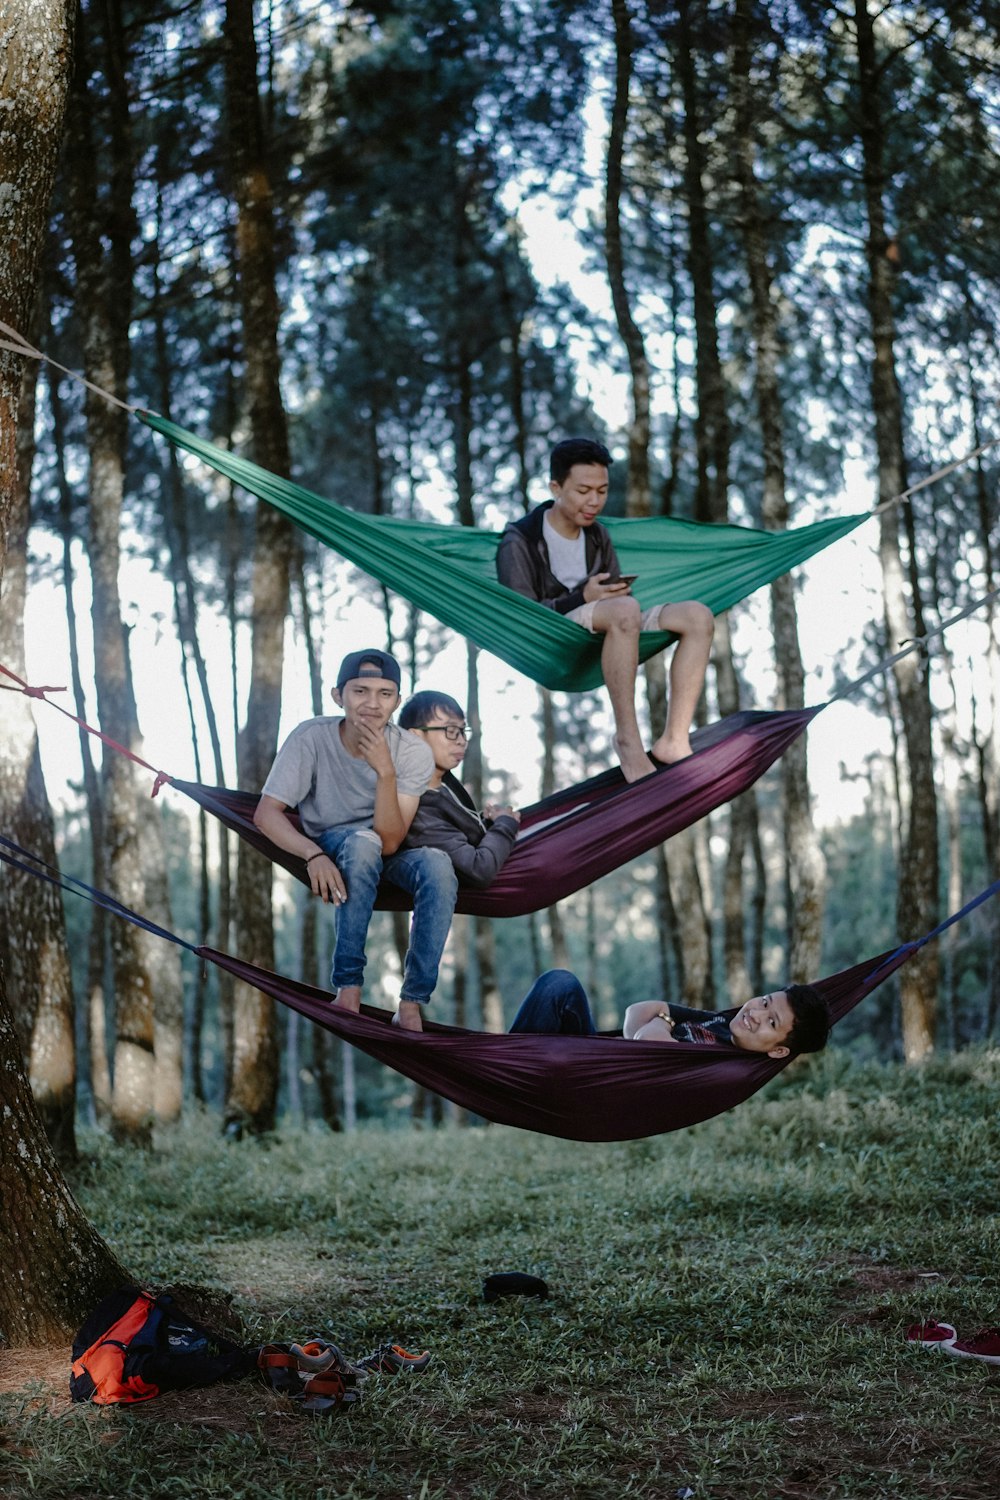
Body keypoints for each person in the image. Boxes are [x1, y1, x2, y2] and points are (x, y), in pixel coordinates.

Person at [253, 649, 458, 1032]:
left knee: (438, 866)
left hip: (385, 846)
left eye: (385, 694)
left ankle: (411, 1003)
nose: (372, 704)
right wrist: (312, 854)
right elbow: (266, 814)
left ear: (397, 700)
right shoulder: (310, 738)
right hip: (331, 843)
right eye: (360, 691)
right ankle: (348, 988)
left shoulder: (412, 752)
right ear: (338, 696)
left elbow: (391, 842)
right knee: (362, 843)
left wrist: (385, 772)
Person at [495, 436, 715, 784]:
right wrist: (582, 598)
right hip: (553, 631)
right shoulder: (519, 541)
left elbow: (615, 598)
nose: (595, 501)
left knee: (698, 616)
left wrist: (612, 592)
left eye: (602, 490)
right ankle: (628, 740)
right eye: (583, 491)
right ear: (556, 487)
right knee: (625, 609)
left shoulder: (598, 535)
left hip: (610, 622)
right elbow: (521, 617)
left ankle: (674, 739)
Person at [508, 969, 830, 1059]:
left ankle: (509, 1070)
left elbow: (651, 1051)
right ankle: (504, 1061)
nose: (756, 1013)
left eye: (771, 1021)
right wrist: (657, 1025)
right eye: (763, 1001)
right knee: (560, 984)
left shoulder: (725, 1066)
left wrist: (660, 1025)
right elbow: (639, 1011)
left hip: (586, 1076)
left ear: (779, 1049)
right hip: (600, 1053)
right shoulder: (719, 1024)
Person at [397, 690, 520, 888]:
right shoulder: (419, 810)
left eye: (463, 731)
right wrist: (505, 825)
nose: (462, 740)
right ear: (415, 737)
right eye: (451, 731)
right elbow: (479, 868)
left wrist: (490, 823)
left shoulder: (443, 785)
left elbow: (458, 838)